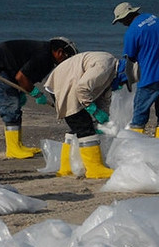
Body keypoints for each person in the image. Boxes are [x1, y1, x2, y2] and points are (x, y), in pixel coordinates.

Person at [0, 38, 77, 159]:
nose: (66, 62)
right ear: (60, 52)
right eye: (67, 58)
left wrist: (22, 92)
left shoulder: (47, 57)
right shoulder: (43, 56)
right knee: (10, 106)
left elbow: (25, 76)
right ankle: (13, 149)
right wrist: (35, 93)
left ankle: (18, 145)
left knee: (15, 105)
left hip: (9, 67)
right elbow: (21, 77)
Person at [42, 51, 120, 179]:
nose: (121, 86)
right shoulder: (105, 66)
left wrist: (103, 119)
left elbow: (104, 98)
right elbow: (82, 88)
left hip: (66, 81)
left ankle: (67, 167)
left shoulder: (111, 71)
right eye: (123, 83)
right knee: (84, 128)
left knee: (77, 127)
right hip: (65, 84)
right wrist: (92, 109)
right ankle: (94, 168)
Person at [112, 2, 159, 138]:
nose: (122, 24)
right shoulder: (154, 18)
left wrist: (128, 82)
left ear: (126, 17)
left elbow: (129, 61)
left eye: (121, 21)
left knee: (139, 115)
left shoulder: (132, 32)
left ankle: (136, 147)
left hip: (150, 77)